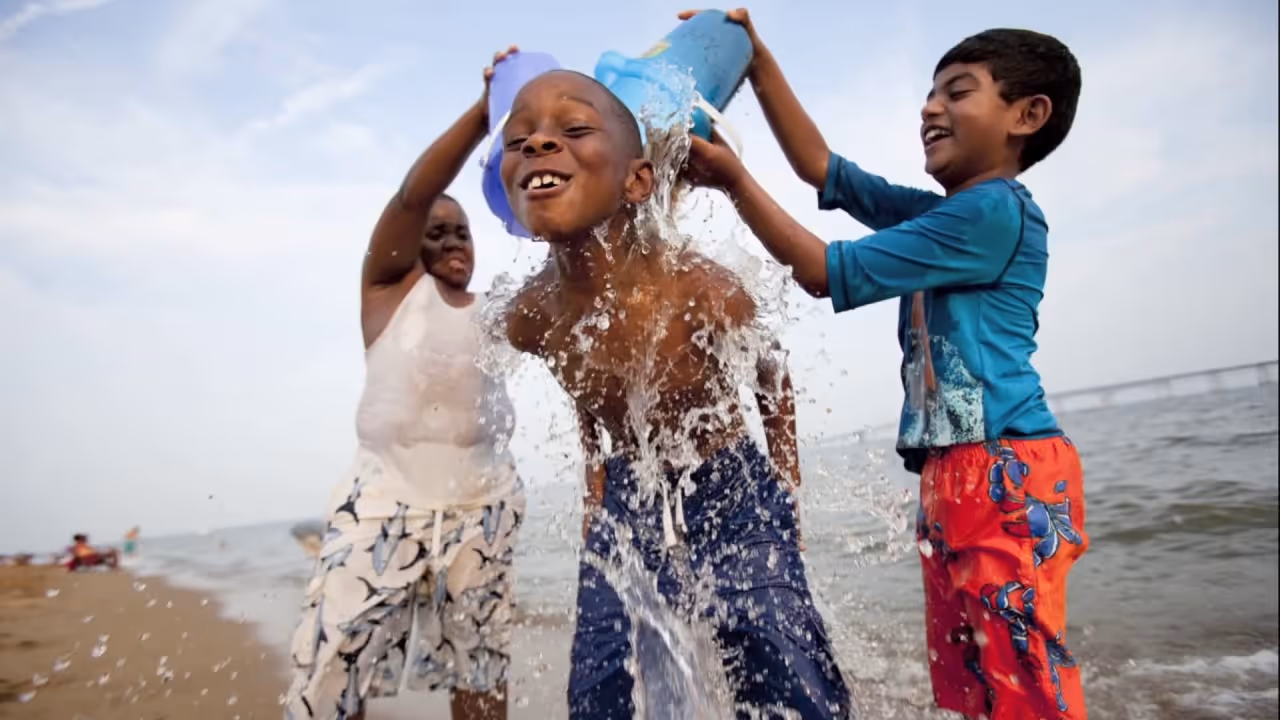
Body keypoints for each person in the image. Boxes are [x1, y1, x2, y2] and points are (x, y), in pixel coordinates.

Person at [681, 10, 1087, 720]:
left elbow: (818, 269)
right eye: (931, 93)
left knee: (1024, 682)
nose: (931, 106)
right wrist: (755, 55)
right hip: (949, 472)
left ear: (1028, 114)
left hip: (1005, 470)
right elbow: (821, 170)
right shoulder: (941, 216)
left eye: (958, 91)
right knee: (974, 681)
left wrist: (733, 180)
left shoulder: (991, 214)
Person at [497, 69, 854, 719]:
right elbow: (584, 381)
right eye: (518, 140)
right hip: (628, 487)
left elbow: (770, 371)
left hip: (730, 477)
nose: (538, 146)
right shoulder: (528, 316)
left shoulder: (698, 287)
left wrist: (786, 483)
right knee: (601, 674)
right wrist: (592, 475)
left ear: (638, 180)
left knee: (778, 657)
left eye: (572, 130)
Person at [284, 48, 526, 720]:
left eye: (464, 232)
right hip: (384, 500)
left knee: (481, 666)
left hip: (483, 507)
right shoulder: (388, 293)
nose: (452, 240)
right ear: (407, 246)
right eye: (435, 233)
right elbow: (413, 196)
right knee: (332, 669)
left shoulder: (500, 312)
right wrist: (485, 117)